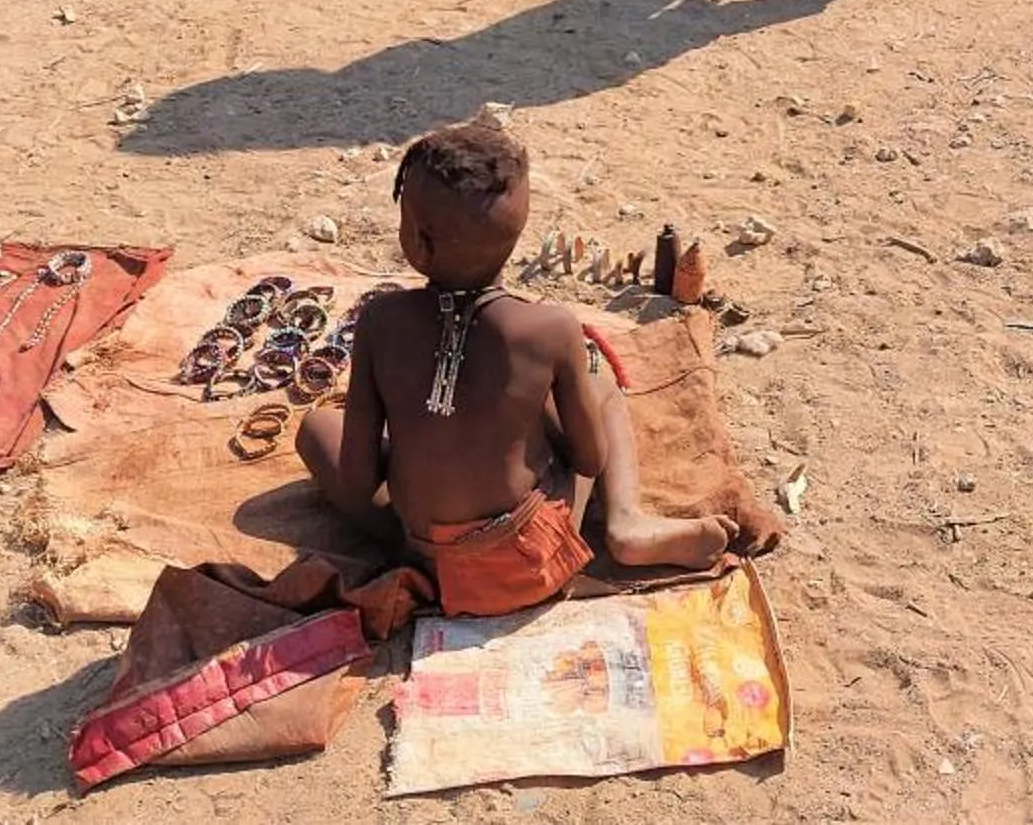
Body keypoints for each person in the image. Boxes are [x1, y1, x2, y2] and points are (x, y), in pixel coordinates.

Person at [297, 121, 730, 616]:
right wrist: (534, 418)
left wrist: (421, 449)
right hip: (533, 562)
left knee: (316, 427)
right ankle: (625, 522)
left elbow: (356, 484)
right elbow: (588, 459)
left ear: (416, 239)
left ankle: (600, 521)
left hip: (428, 562)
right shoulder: (550, 329)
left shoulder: (380, 321)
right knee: (600, 383)